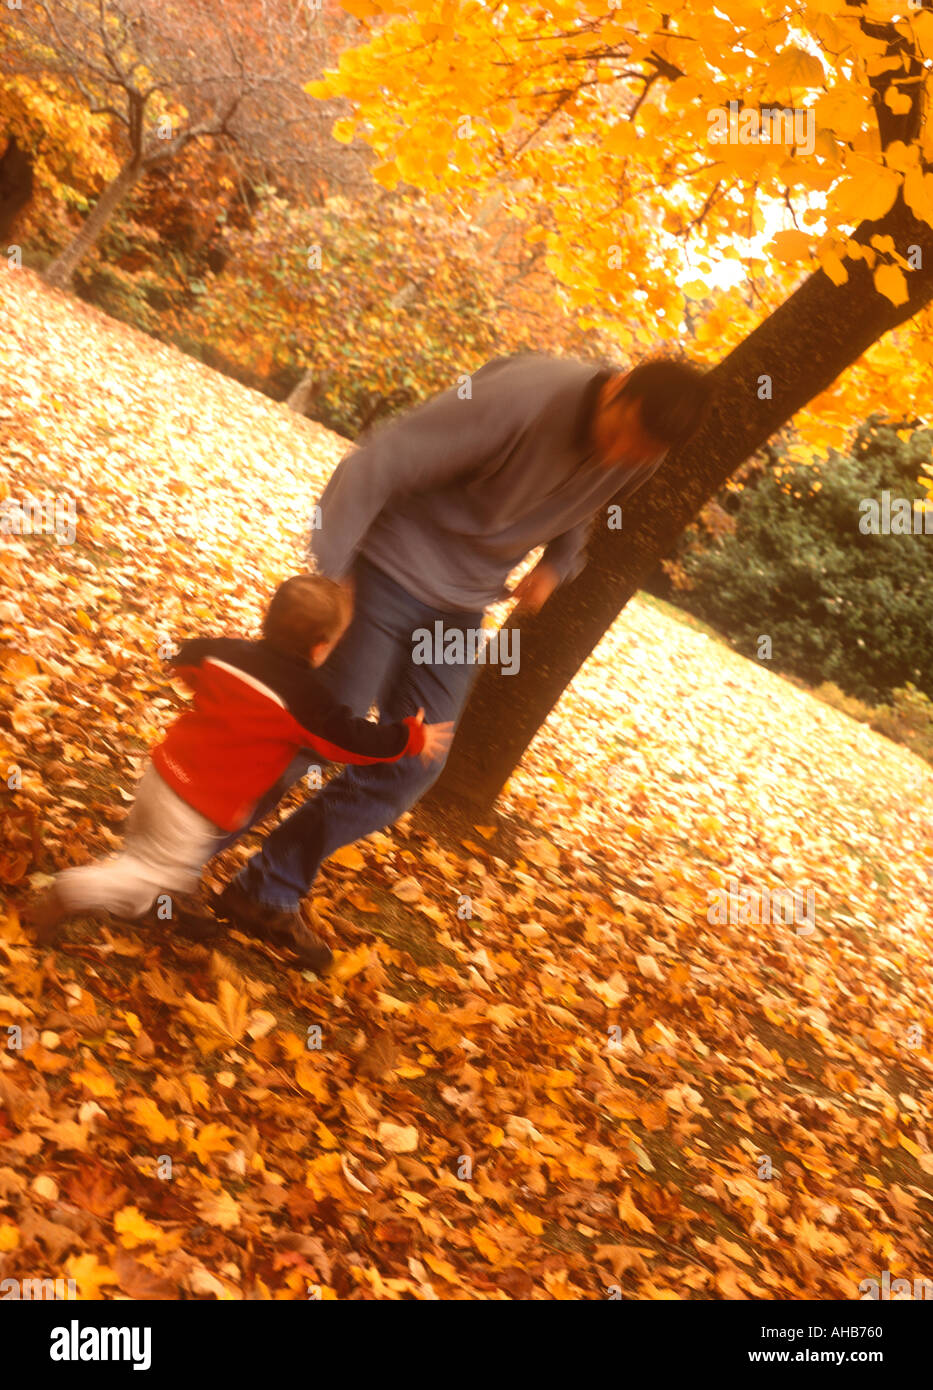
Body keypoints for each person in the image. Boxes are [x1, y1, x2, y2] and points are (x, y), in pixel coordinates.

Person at [209, 352, 713, 949]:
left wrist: (557, 563)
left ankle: (265, 888)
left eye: (639, 453)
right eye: (620, 436)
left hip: (458, 604)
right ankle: (168, 866)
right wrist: (332, 578)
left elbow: (587, 503)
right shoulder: (524, 397)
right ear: (620, 387)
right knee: (308, 737)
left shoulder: (640, 451)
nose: (619, 457)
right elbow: (378, 463)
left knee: (415, 762)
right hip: (381, 572)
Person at [26, 575, 453, 971]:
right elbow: (348, 739)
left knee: (143, 858)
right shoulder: (305, 699)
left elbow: (183, 655)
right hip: (195, 806)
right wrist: (408, 738)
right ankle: (72, 892)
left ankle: (153, 900)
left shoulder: (227, 653)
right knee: (150, 878)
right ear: (323, 647)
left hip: (161, 773)